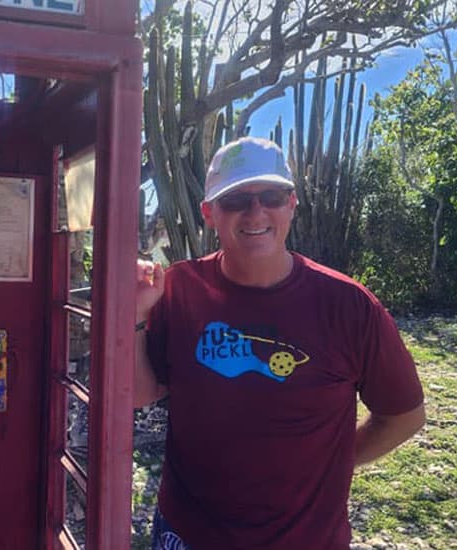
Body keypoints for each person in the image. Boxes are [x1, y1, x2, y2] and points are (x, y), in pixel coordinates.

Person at [135, 137, 425, 550]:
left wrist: (336, 463)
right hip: (188, 533)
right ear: (209, 213)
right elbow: (142, 393)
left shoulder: (348, 305)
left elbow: (404, 416)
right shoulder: (179, 288)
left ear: (291, 203)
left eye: (270, 195)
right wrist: (135, 317)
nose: (256, 212)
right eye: (236, 199)